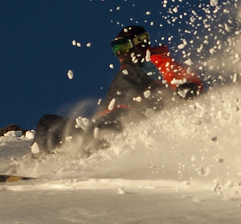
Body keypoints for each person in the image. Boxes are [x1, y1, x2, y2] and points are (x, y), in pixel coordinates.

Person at [33, 25, 204, 154]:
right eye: (116, 49)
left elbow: (178, 74)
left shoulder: (151, 62)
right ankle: (40, 165)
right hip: (99, 126)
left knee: (108, 121)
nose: (119, 54)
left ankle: (88, 162)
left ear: (139, 44)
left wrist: (187, 86)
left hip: (129, 126)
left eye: (122, 47)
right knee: (48, 123)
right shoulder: (127, 72)